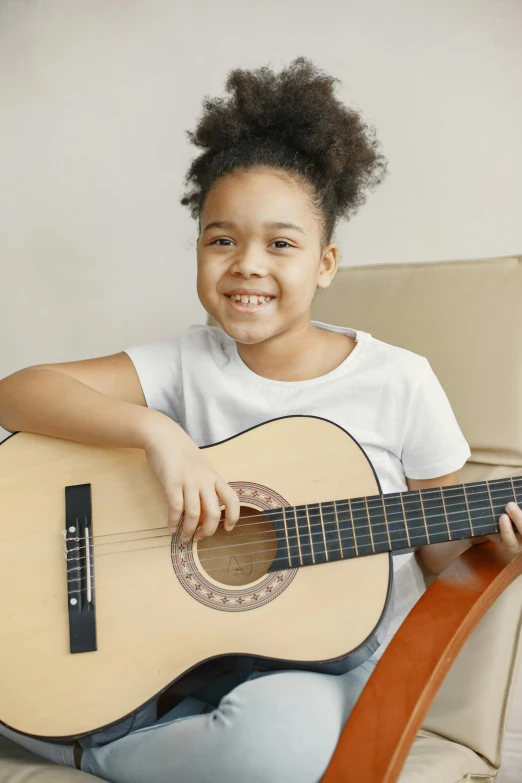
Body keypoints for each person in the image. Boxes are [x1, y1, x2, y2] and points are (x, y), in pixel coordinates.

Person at [1, 56, 521, 783]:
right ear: (199, 251)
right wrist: (159, 433)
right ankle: (89, 707)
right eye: (222, 239)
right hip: (174, 637)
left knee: (273, 754)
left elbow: (440, 553)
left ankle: (90, 740)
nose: (247, 264)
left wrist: (496, 541)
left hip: (328, 653)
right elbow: (18, 391)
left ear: (326, 263)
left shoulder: (399, 381)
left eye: (280, 243)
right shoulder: (190, 361)